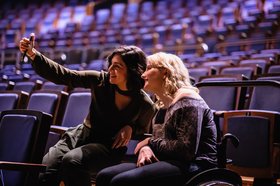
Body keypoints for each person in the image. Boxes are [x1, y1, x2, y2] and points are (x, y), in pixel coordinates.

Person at [19, 35, 156, 186]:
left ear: (132, 71)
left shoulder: (145, 104)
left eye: (117, 66)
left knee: (72, 161)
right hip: (79, 136)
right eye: (111, 64)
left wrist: (131, 127)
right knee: (44, 171)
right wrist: (33, 54)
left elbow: (143, 131)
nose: (110, 69)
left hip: (107, 147)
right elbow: (64, 75)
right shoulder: (100, 80)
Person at [96, 52, 217, 186]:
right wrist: (146, 148)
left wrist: (150, 142)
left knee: (121, 182)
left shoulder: (188, 100)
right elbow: (160, 141)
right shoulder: (163, 104)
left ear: (165, 72)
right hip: (167, 160)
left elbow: (186, 151)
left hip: (195, 165)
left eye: (148, 69)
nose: (143, 74)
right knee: (104, 176)